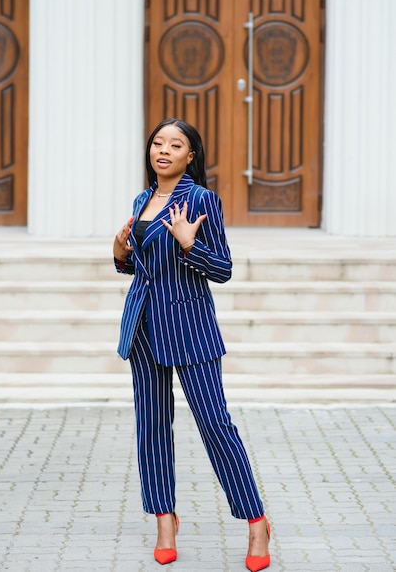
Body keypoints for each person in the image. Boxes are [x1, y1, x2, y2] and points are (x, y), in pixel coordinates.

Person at [113, 118, 271, 571]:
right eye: (158, 143)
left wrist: (189, 245)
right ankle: (165, 521)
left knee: (215, 426)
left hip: (189, 328)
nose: (163, 150)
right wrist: (120, 252)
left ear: (190, 155)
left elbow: (221, 269)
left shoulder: (202, 200)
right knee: (152, 427)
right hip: (142, 328)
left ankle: (256, 522)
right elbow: (142, 270)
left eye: (175, 144)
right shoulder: (142, 200)